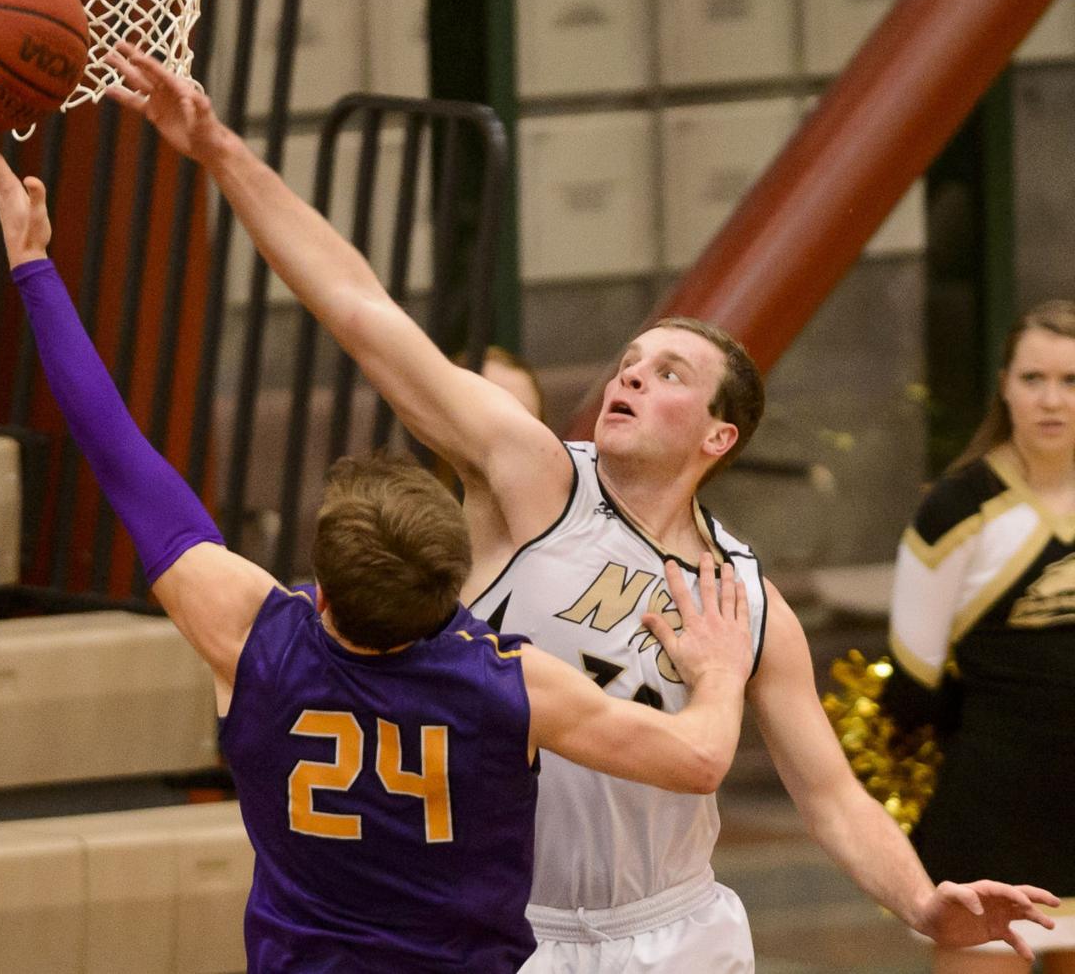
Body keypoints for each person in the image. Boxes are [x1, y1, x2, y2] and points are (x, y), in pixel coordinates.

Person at [103, 47, 1059, 970]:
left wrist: (921, 898)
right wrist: (222, 153)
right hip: (516, 928)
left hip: (677, 922)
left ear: (718, 436)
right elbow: (362, 311)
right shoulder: (535, 481)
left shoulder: (744, 602)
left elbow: (831, 797)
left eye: (668, 372)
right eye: (629, 363)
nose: (631, 377)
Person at [0, 127, 759, 973]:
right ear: (458, 586)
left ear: (321, 589)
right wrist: (714, 674)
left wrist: (35, 268)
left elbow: (116, 447)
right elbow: (700, 757)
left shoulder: (255, 639)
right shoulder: (509, 682)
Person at [882, 300, 1075, 974]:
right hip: (992, 809)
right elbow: (911, 682)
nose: (1051, 400)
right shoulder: (957, 508)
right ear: (1004, 384)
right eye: (1033, 378)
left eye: (1071, 381)